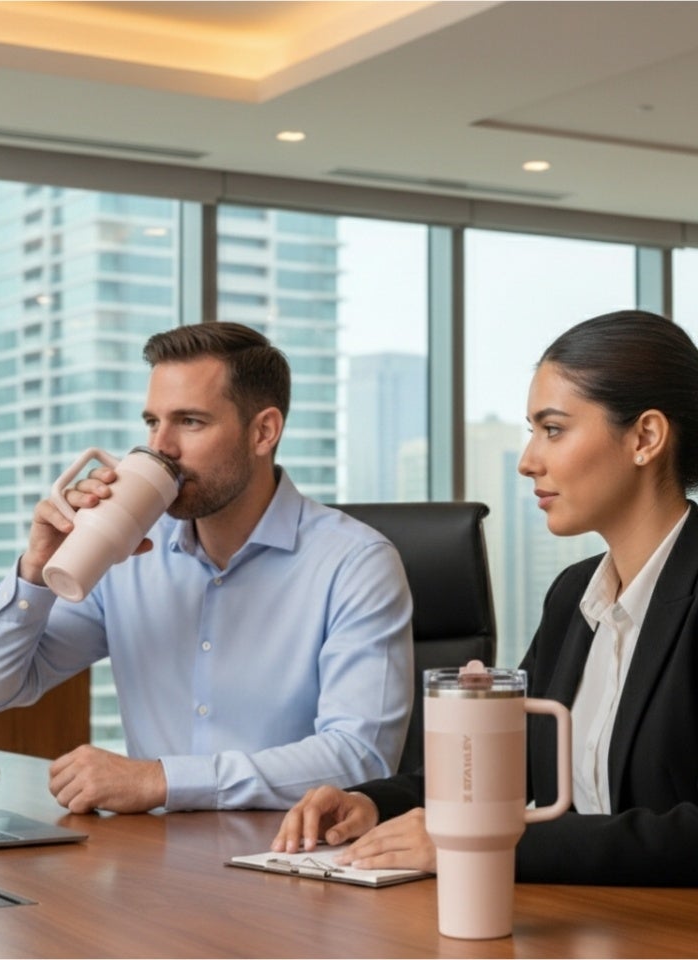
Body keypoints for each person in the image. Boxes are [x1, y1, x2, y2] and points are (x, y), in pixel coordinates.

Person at [273, 308, 698, 886]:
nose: (528, 461)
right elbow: (509, 760)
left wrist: (480, 845)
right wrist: (373, 803)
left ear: (645, 437)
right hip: (583, 927)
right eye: (532, 431)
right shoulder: (575, 595)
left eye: (553, 429)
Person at [0, 321, 414, 814]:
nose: (161, 447)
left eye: (190, 421)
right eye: (153, 422)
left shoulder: (355, 563)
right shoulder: (126, 553)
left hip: (289, 862)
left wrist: (162, 780)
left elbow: (361, 756)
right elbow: (5, 686)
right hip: (152, 860)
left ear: (263, 431)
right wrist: (37, 571)